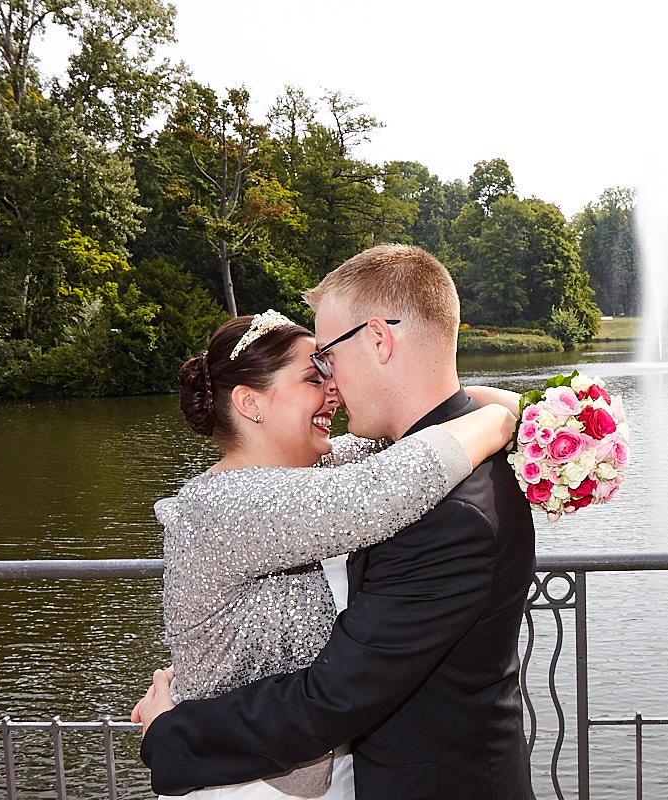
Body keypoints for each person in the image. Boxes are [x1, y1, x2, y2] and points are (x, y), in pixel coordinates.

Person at [136, 244, 537, 800]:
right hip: (253, 778)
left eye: (330, 359)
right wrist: (498, 421)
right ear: (251, 404)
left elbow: (403, 454)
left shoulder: (334, 468)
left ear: (378, 339)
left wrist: (509, 413)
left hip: (328, 768)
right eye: (313, 373)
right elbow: (386, 487)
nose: (331, 385)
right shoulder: (226, 504)